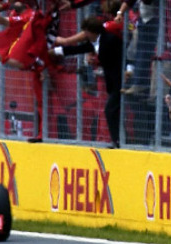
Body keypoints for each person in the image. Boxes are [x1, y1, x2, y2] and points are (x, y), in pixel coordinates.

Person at [52, 16, 124, 148]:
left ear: (92, 31)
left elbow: (112, 58)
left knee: (110, 110)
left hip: (119, 81)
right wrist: (55, 51)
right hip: (112, 81)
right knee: (112, 110)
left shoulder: (109, 40)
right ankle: (118, 140)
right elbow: (77, 49)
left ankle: (117, 141)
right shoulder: (96, 42)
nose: (84, 35)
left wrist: (96, 61)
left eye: (86, 32)